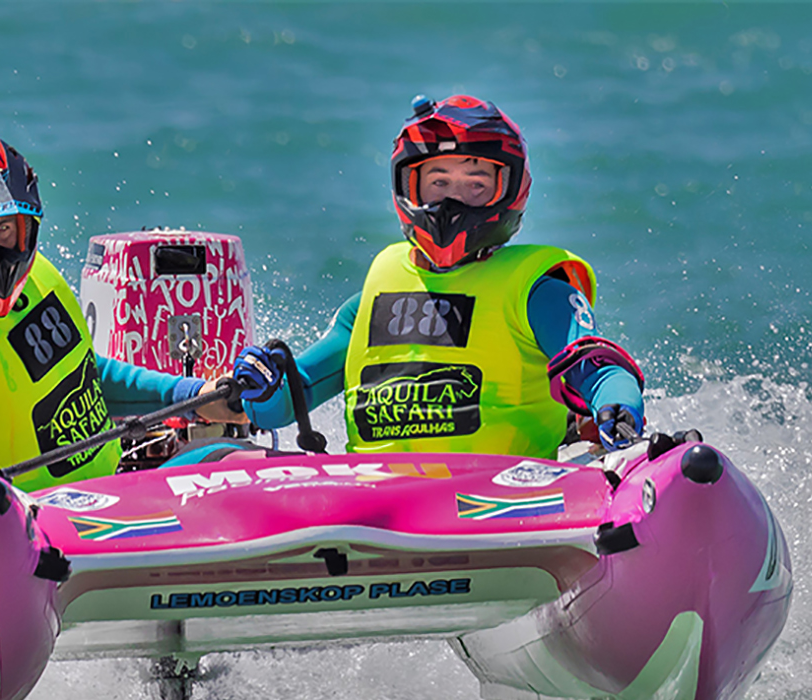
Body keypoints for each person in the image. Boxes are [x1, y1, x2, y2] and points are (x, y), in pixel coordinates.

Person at [0, 128, 280, 492]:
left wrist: (196, 395)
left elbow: (82, 376)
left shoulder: (35, 278)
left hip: (106, 495)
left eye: (5, 228)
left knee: (247, 465)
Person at [237, 94, 646, 458]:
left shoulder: (538, 292)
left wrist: (618, 407)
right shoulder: (372, 296)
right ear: (408, 187)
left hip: (506, 497)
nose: (452, 201)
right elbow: (292, 398)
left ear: (510, 190)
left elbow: (599, 370)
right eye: (438, 182)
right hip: (372, 493)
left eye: (476, 185)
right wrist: (264, 385)